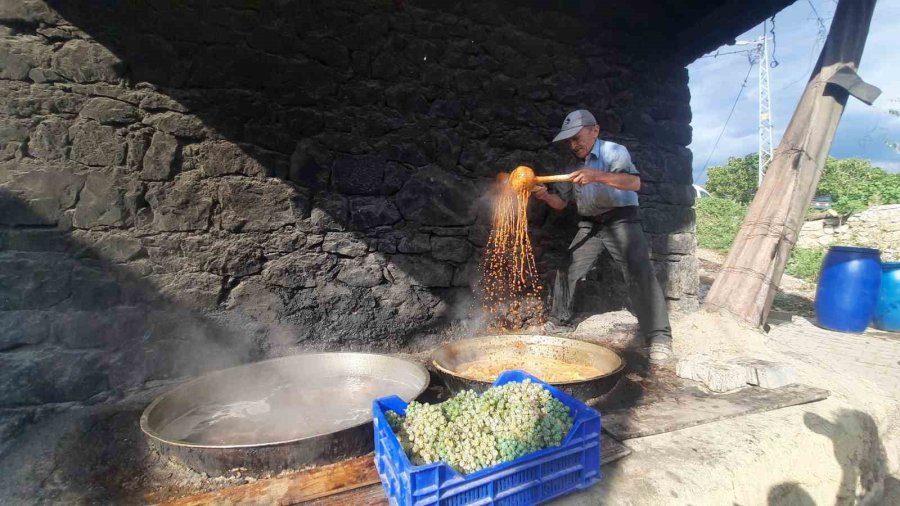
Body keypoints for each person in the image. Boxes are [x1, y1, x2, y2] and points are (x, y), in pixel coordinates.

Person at [532, 109, 674, 365]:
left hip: (621, 218)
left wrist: (597, 175)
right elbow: (562, 204)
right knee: (567, 268)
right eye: (569, 140)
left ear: (594, 130)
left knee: (639, 273)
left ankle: (659, 338)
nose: (574, 144)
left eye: (577, 137)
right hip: (590, 224)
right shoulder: (570, 167)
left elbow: (633, 184)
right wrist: (544, 196)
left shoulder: (614, 152)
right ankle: (559, 321)